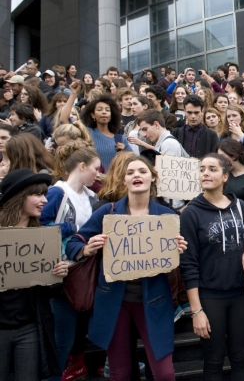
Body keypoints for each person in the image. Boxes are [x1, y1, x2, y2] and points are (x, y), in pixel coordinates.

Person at [65, 155, 187, 381]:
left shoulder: (167, 217)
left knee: (164, 373)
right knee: (120, 373)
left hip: (154, 303)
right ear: (124, 180)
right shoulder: (108, 213)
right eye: (130, 173)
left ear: (152, 178)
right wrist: (87, 249)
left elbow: (180, 260)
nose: (136, 176)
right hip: (114, 303)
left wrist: (179, 249)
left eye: (142, 171)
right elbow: (74, 243)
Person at [179, 153, 244, 381]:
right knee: (213, 361)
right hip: (209, 297)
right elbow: (189, 265)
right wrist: (197, 311)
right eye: (202, 169)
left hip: (242, 295)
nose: (205, 173)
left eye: (212, 169)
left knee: (241, 358)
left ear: (225, 176)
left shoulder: (240, 207)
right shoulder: (191, 213)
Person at [0, 168, 69, 381]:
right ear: (19, 197)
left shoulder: (43, 237)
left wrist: (58, 275)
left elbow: (48, 290)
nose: (44, 200)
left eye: (44, 195)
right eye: (37, 194)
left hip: (30, 326)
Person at [39, 143, 100, 380]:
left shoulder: (90, 196)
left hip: (85, 272)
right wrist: (72, 227)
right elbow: (40, 227)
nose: (98, 173)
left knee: (77, 334)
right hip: (62, 272)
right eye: (95, 168)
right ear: (82, 166)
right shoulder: (58, 192)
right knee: (63, 338)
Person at [80, 95, 132, 170]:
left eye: (107, 110)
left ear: (111, 116)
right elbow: (64, 120)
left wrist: (124, 153)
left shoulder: (120, 139)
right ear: (93, 115)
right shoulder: (88, 132)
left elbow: (134, 161)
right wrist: (74, 94)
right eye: (99, 110)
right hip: (93, 180)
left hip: (114, 180)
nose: (104, 112)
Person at [171, 95, 218, 160]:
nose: (193, 116)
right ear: (184, 111)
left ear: (202, 111)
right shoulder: (176, 133)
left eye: (196, 113)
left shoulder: (211, 135)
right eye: (189, 112)